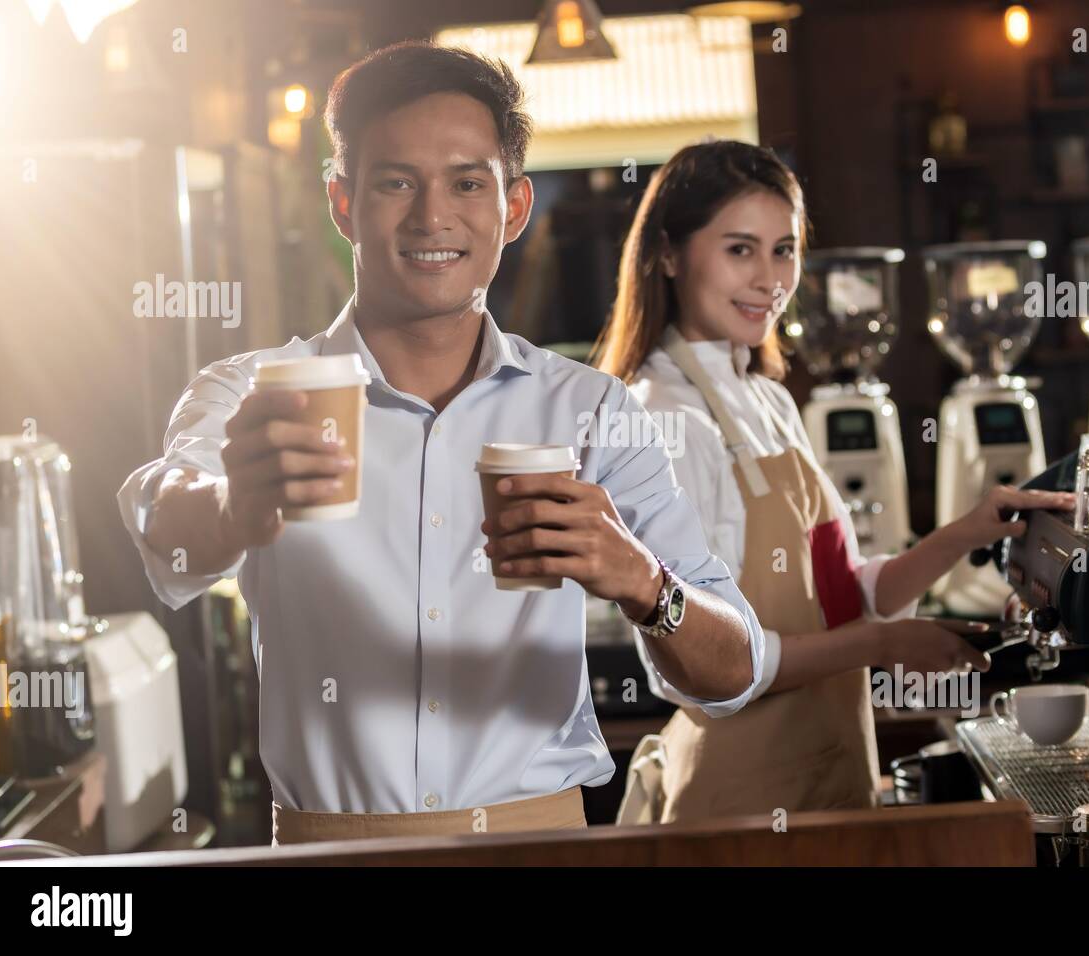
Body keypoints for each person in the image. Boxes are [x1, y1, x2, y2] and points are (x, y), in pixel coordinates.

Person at [117, 43, 766, 844]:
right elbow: (162, 527)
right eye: (396, 182)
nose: (433, 217)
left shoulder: (591, 409)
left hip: (544, 849)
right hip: (327, 856)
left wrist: (640, 580)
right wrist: (233, 507)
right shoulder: (257, 392)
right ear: (342, 202)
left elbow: (735, 671)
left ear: (515, 206)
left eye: (467, 183)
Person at [595, 141, 1073, 823]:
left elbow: (845, 595)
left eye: (783, 249)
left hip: (834, 786)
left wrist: (967, 531)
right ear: (669, 254)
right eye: (740, 249)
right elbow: (708, 668)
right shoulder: (664, 417)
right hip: (741, 808)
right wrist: (882, 648)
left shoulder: (769, 398)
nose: (769, 279)